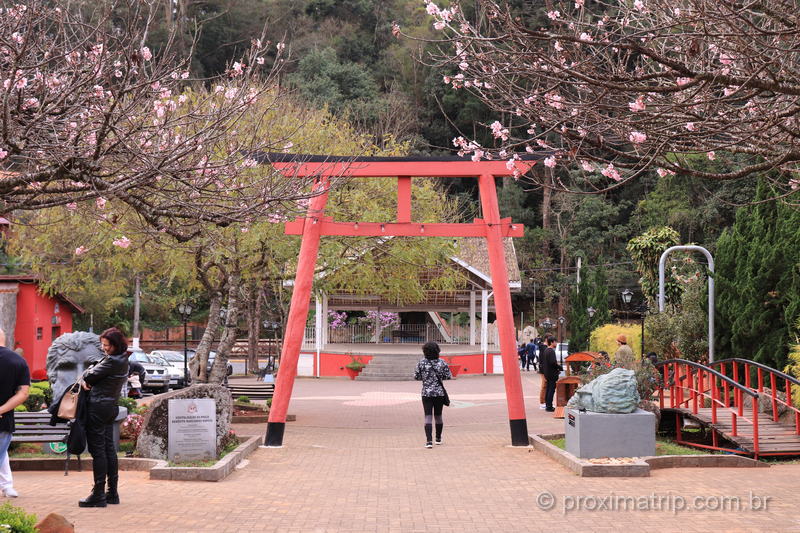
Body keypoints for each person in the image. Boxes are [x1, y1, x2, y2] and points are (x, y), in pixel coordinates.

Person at [79, 327, 130, 507]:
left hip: (98, 408)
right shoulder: (122, 359)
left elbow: (89, 376)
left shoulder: (111, 362)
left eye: (107, 345)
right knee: (109, 449)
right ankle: (112, 493)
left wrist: (87, 375)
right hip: (110, 408)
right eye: (102, 344)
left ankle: (99, 494)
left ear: (116, 345)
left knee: (98, 451)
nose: (104, 348)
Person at [0, 328, 31, 498]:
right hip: (4, 420)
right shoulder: (18, 361)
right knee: (1, 451)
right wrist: (2, 409)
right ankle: (7, 486)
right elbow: (23, 393)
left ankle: (7, 486)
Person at [413, 342, 452, 448]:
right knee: (438, 416)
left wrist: (426, 379)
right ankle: (438, 438)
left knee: (428, 416)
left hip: (426, 393)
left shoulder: (421, 363)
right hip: (439, 393)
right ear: (437, 350)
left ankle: (429, 441)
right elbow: (448, 376)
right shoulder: (442, 362)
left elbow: (416, 376)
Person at [540, 335, 560, 412]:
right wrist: (559, 367)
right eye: (555, 342)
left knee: (548, 389)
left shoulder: (546, 350)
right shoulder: (551, 351)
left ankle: (548, 405)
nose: (556, 343)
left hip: (547, 373)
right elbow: (553, 362)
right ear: (552, 342)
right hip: (552, 374)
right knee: (551, 390)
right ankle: (549, 406)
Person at [537, 336, 548, 408]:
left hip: (545, 368)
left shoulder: (545, 347)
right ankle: (542, 402)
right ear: (547, 339)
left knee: (546, 385)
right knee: (544, 385)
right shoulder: (543, 347)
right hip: (543, 369)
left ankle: (545, 401)